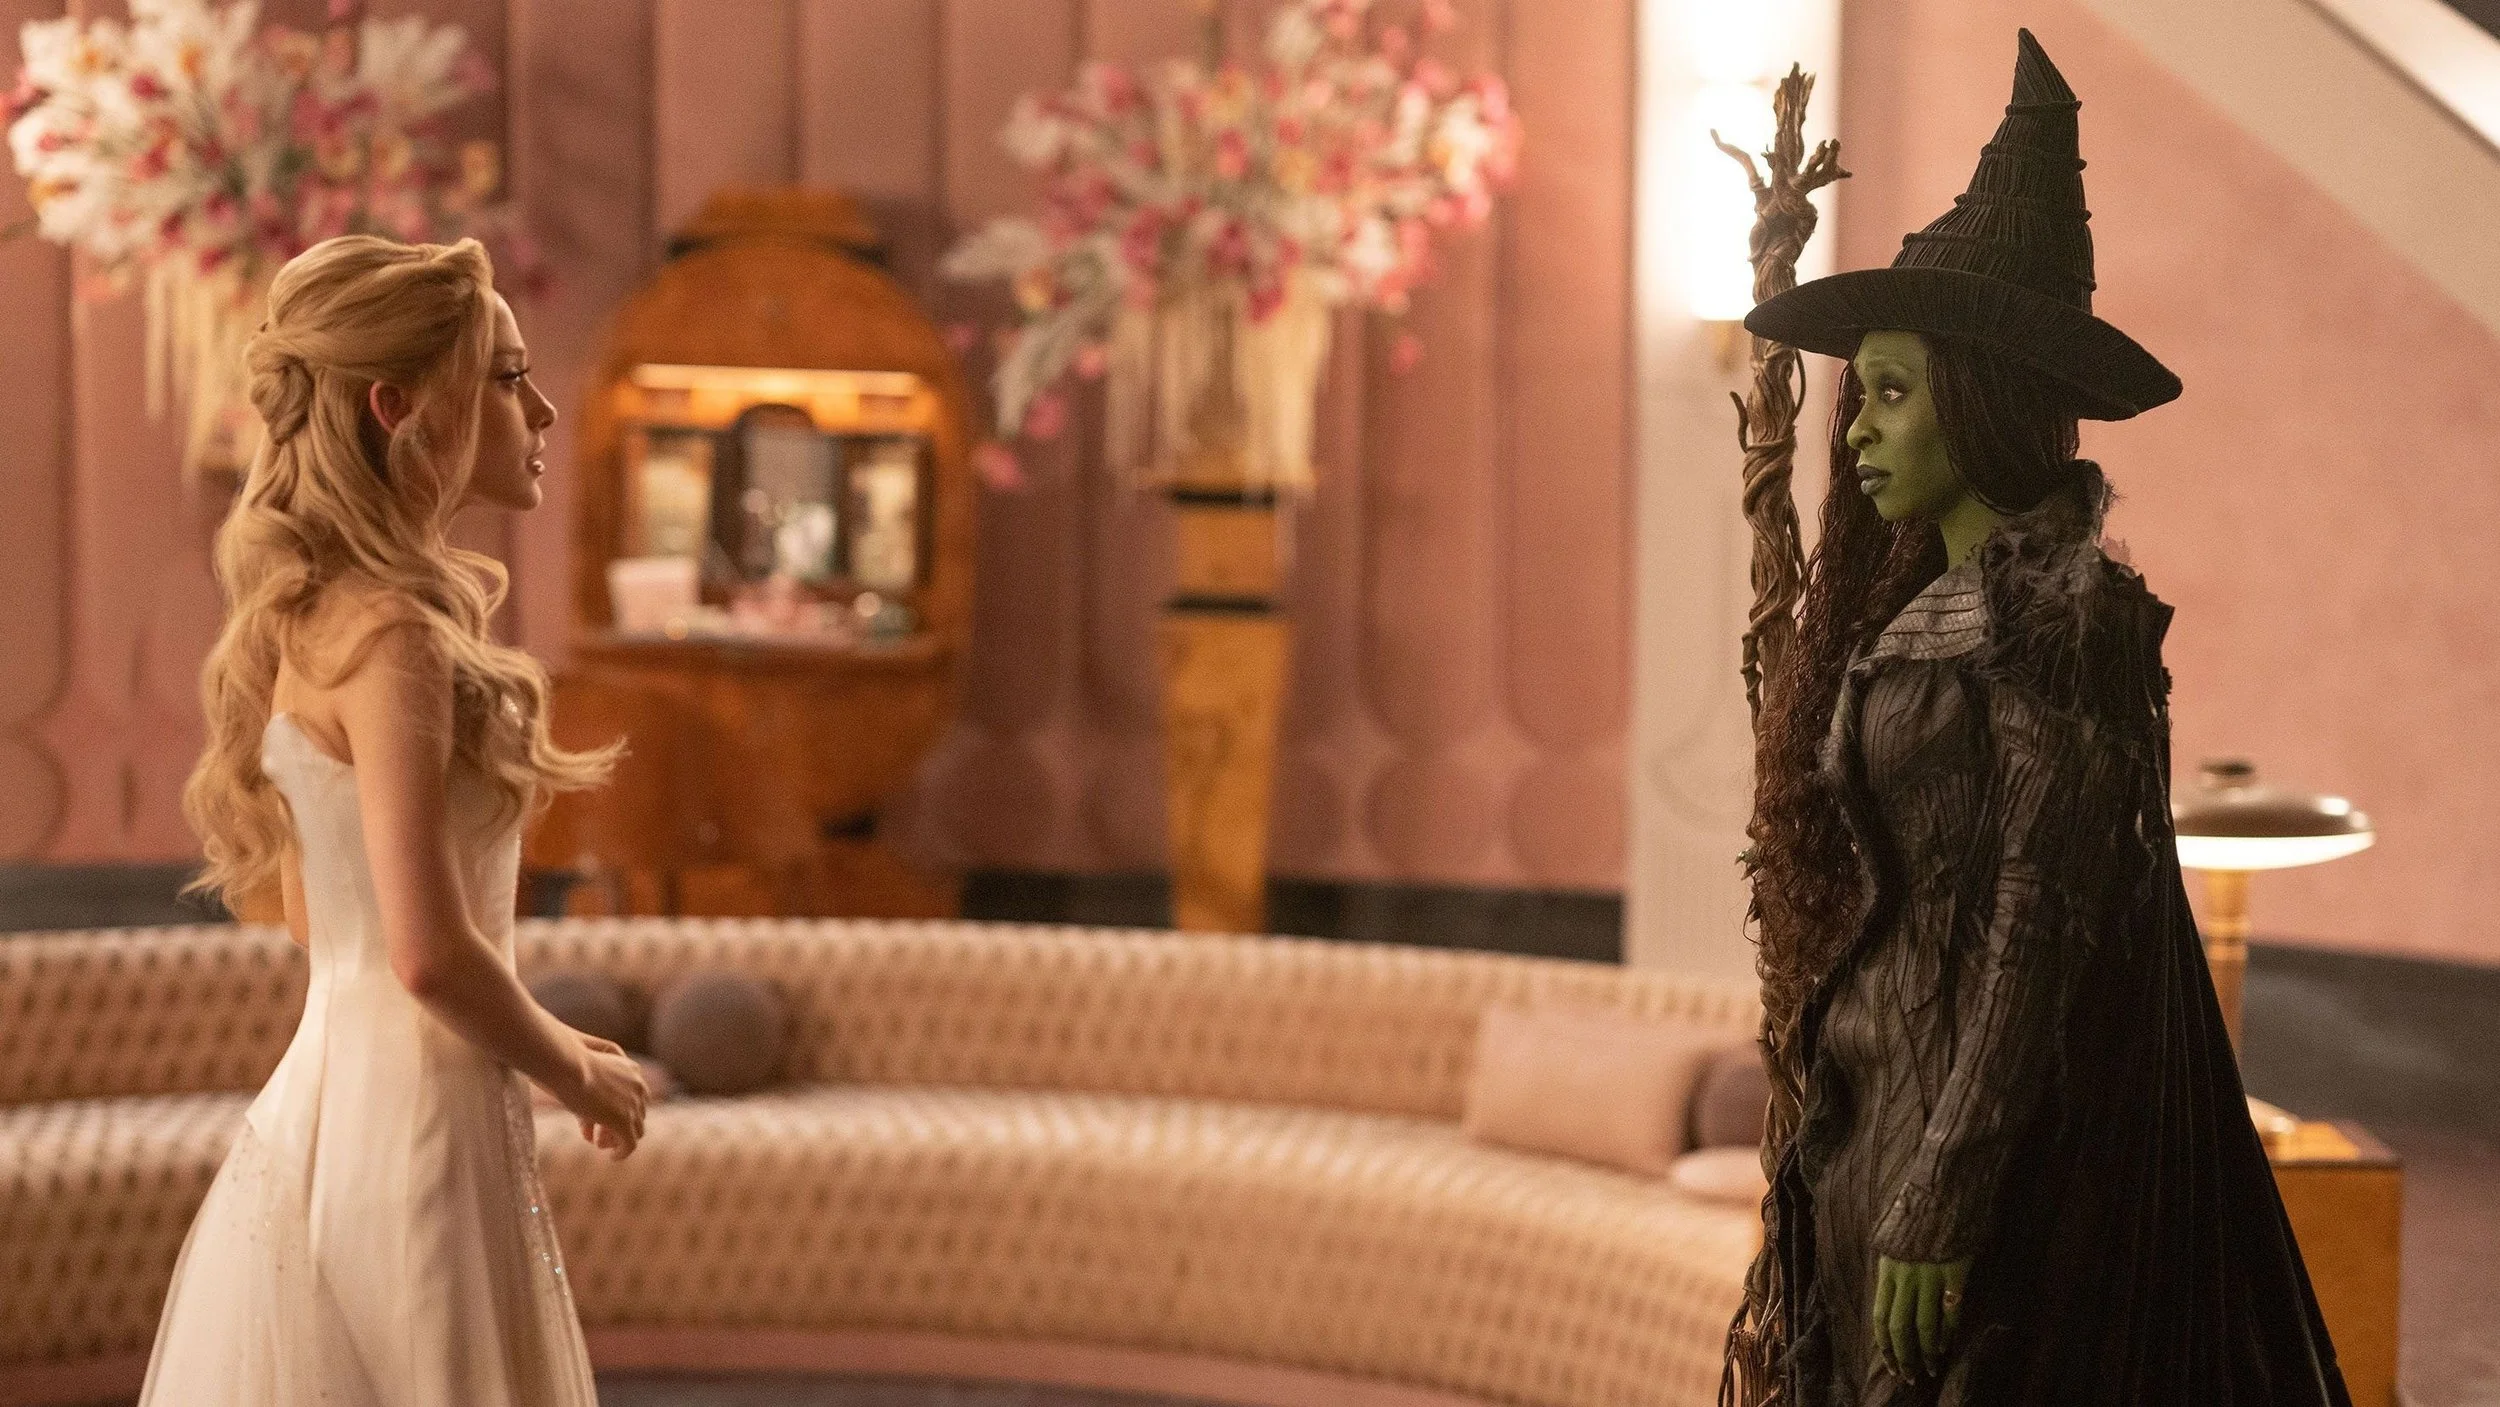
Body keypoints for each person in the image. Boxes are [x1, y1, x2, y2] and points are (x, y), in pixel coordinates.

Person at [1730, 31, 2352, 1407]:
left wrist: (1943, 1188)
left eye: (1894, 392)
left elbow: (2035, 922)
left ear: (1984, 395)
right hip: (1875, 1126)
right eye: (1860, 395)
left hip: (1991, 1166)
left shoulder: (2063, 621)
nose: (1859, 430)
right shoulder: (1924, 611)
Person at [149, 234, 646, 1405]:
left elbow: (322, 929)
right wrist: (577, 1070)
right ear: (398, 406)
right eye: (507, 377)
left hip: (332, 1107)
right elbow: (424, 955)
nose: (543, 410)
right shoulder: (397, 637)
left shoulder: (311, 618)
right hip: (420, 1121)